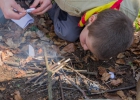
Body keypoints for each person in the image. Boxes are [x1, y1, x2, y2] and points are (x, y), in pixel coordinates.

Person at [0, 0, 140, 60]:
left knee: (69, 33)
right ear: (92, 19)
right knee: (66, 32)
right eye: (86, 42)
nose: (83, 48)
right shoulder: (71, 3)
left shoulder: (128, 12)